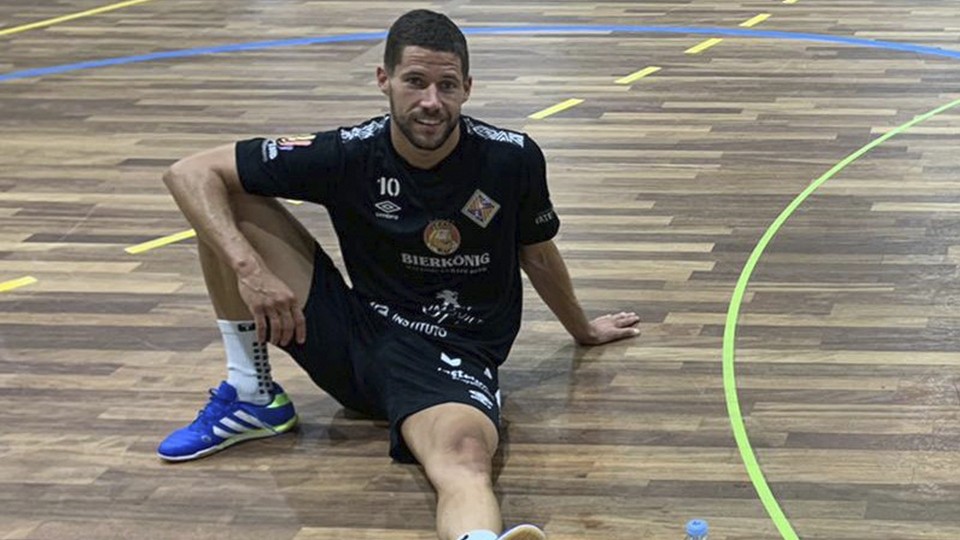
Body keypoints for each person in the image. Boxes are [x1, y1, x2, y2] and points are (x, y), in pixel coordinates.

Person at [157, 9, 640, 540]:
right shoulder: (348, 154)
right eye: (415, 81)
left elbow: (539, 254)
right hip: (353, 335)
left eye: (447, 85)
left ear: (468, 88)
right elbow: (187, 172)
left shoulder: (511, 159)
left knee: (464, 457)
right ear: (383, 80)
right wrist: (249, 269)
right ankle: (252, 393)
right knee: (227, 201)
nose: (431, 101)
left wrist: (582, 329)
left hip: (451, 355)